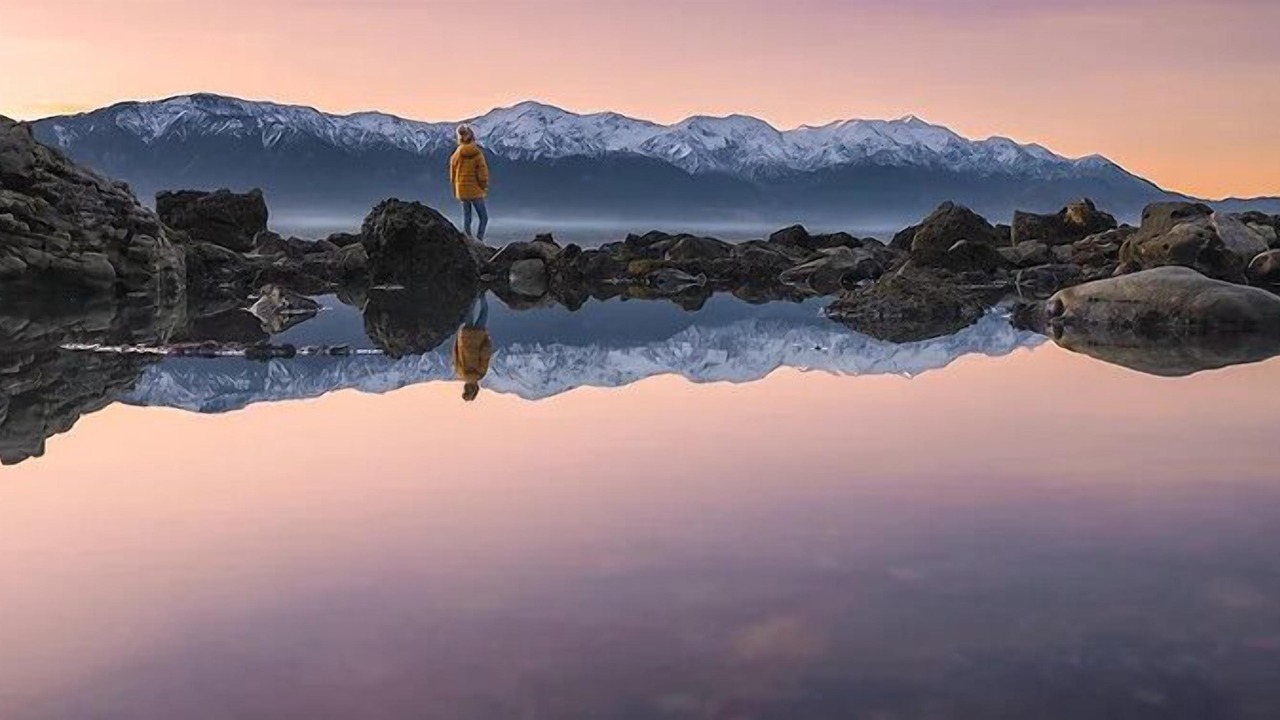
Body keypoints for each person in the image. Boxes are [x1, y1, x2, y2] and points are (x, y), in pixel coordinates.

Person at [450, 124, 490, 241]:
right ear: (473, 137)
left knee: (467, 217)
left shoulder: (456, 154)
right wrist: (484, 187)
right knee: (483, 217)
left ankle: (468, 240)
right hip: (475, 190)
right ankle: (479, 240)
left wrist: (456, 186)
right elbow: (482, 174)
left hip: (461, 190)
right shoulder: (477, 153)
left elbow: (452, 174)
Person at [454, 293, 493, 402]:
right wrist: (458, 338)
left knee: (484, 311)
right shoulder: (460, 373)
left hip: (478, 336)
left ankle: (482, 294)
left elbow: (485, 353)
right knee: (469, 311)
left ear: (476, 388)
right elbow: (456, 353)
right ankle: (473, 293)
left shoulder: (480, 373)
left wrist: (487, 340)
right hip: (466, 336)